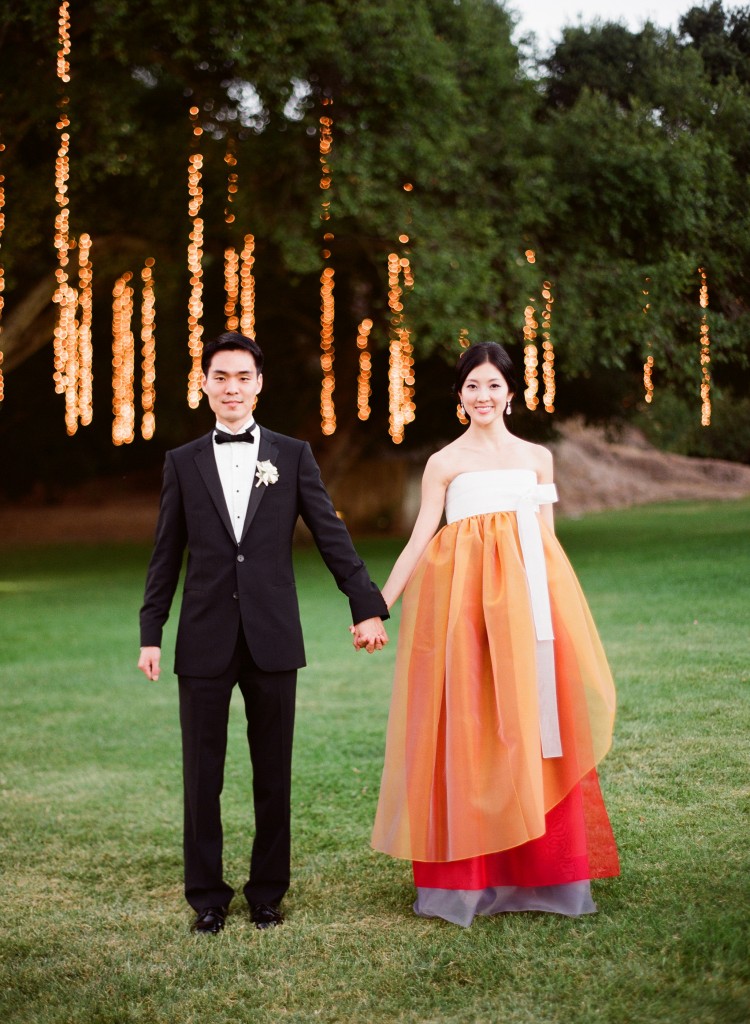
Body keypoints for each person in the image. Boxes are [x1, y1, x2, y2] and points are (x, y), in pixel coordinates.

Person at [138, 331, 389, 934]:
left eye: (242, 377)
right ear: (205, 385)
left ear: (258, 383)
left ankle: (268, 892)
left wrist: (366, 605)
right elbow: (165, 554)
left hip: (273, 635)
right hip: (203, 639)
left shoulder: (293, 454)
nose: (232, 387)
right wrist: (152, 630)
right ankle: (206, 897)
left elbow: (332, 535)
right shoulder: (182, 462)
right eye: (220, 377)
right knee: (202, 775)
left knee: (273, 773)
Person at [371, 342, 619, 926]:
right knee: (470, 726)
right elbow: (419, 538)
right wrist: (378, 604)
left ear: (511, 392)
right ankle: (470, 875)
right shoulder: (444, 463)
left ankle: (540, 869)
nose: (483, 396)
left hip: (529, 611)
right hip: (460, 611)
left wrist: (556, 619)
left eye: (493, 385)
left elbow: (548, 541)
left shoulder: (537, 458)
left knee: (533, 728)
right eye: (472, 386)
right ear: (459, 396)